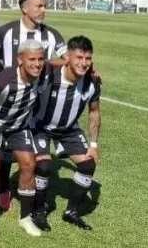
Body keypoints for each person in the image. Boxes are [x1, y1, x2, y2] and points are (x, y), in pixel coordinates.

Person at [0, 0, 67, 210]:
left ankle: (31, 195)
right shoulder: (5, 32)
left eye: (45, 6)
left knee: (27, 151)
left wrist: (47, 65)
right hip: (8, 101)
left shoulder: (52, 35)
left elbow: (68, 60)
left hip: (37, 102)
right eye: (39, 6)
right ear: (25, 8)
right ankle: (4, 187)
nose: (44, 10)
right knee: (5, 150)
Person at [0, 40, 50, 238]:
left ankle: (25, 217)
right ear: (20, 59)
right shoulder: (5, 79)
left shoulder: (44, 71)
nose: (37, 64)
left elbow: (65, 63)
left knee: (28, 164)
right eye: (32, 59)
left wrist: (92, 71)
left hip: (18, 127)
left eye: (41, 59)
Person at [28, 36, 101, 232]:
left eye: (87, 59)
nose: (83, 63)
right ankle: (39, 211)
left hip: (69, 129)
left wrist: (94, 145)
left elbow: (94, 111)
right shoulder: (49, 74)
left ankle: (72, 212)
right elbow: (40, 62)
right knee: (43, 165)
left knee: (88, 164)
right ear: (67, 57)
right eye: (78, 57)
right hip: (40, 127)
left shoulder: (92, 82)